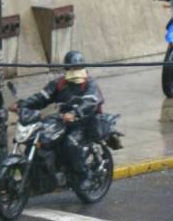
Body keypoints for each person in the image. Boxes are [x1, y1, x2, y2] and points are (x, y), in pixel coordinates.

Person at [9, 50, 103, 190]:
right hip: (62, 120)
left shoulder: (90, 83)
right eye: (72, 67)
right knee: (40, 138)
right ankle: (38, 176)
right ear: (67, 68)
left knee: (70, 143)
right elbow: (41, 98)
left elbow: (91, 100)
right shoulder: (59, 83)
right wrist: (22, 105)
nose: (75, 70)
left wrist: (76, 112)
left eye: (78, 67)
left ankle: (84, 176)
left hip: (84, 121)